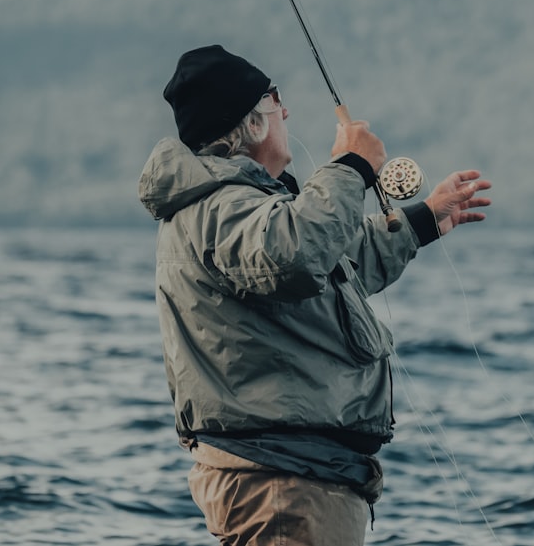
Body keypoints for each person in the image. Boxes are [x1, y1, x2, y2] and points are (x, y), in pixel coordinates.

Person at [138, 45, 492, 545]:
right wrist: (350, 167)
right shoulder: (221, 207)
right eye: (274, 99)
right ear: (252, 123)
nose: (286, 111)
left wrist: (423, 219)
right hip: (280, 484)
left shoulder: (240, 208)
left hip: (298, 479)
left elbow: (329, 264)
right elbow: (296, 255)